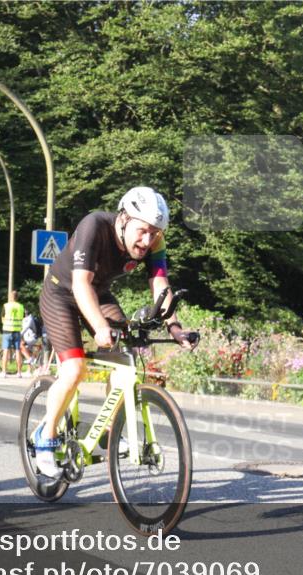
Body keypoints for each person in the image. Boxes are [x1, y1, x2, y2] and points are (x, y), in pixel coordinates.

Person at [33, 186, 197, 477]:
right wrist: (99, 327)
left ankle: (110, 431)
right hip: (62, 294)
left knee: (125, 360)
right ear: (124, 218)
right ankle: (45, 437)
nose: (147, 240)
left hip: (99, 293)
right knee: (74, 370)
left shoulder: (155, 240)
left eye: (154, 233)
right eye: (142, 231)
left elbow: (160, 284)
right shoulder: (95, 225)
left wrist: (174, 327)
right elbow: (80, 283)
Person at [0, 290, 25, 378]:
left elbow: (2, 317)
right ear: (17, 297)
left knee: (6, 351)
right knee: (18, 351)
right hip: (17, 331)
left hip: (7, 330)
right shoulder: (21, 307)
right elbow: (23, 318)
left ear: (10, 297)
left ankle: (4, 372)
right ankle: (19, 373)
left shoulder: (6, 306)